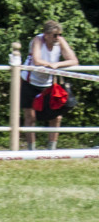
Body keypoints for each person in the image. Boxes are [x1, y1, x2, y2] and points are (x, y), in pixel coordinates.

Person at [21, 20, 78, 150]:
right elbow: (36, 60)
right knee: (30, 117)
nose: (58, 38)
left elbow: (74, 61)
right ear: (46, 35)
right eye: (55, 35)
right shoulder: (38, 40)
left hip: (48, 84)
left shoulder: (60, 41)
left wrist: (57, 65)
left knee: (56, 116)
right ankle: (31, 149)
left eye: (59, 34)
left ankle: (51, 149)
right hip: (30, 82)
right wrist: (49, 65)